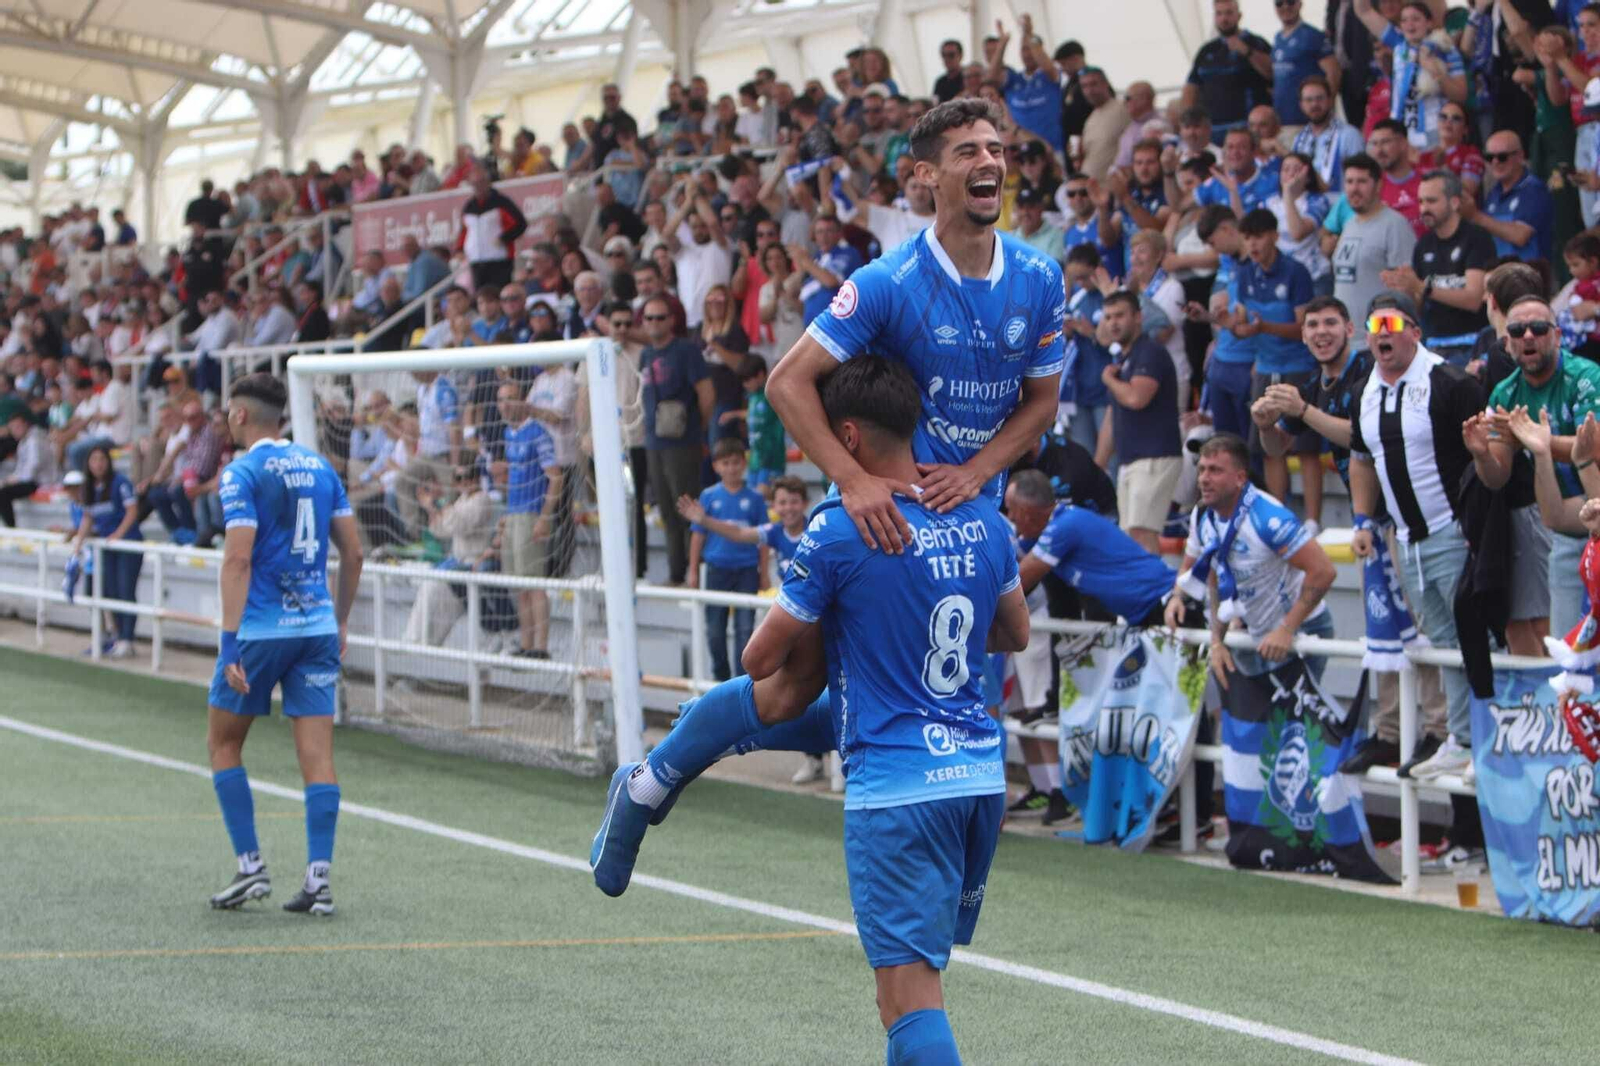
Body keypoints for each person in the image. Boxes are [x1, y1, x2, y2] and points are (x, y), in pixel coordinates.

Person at [593, 356, 1030, 1066]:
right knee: (904, 994)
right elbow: (1014, 634)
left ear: (848, 437)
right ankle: (645, 787)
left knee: (909, 999)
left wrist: (832, 610)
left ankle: (647, 787)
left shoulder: (840, 525)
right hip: (975, 775)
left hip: (897, 783)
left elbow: (759, 662)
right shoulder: (980, 514)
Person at [204, 373, 364, 916]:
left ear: (242, 416)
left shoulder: (241, 472)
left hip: (260, 631)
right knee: (317, 757)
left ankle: (251, 867)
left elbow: (238, 559)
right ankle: (318, 879)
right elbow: (355, 554)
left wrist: (229, 646)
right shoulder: (321, 468)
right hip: (317, 626)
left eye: (229, 411)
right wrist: (339, 621)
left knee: (224, 745)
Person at [1349, 293, 1483, 781]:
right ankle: (1463, 737)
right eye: (1374, 324)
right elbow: (1361, 457)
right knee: (1443, 642)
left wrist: (1477, 531)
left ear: (1415, 332)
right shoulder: (1367, 390)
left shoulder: (1448, 382)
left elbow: (1484, 458)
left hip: (1454, 531)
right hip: (1406, 540)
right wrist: (1364, 519)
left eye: (1391, 323)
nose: (1382, 332)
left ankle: (1488, 737)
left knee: (1477, 637)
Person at [1467, 294, 1600, 643]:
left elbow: (1594, 446)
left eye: (1539, 328)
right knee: (1567, 652)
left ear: (1556, 336)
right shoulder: (1504, 393)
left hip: (1595, 505)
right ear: (1507, 342)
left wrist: (1535, 440)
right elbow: (1497, 477)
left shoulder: (1586, 376)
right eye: (1517, 329)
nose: (1528, 336)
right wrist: (1481, 454)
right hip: (1567, 529)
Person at [1167, 433, 1338, 682]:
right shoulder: (1203, 515)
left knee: (1291, 721)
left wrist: (1286, 629)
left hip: (1300, 630)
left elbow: (1324, 571)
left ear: (1240, 478)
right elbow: (1213, 577)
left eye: (1214, 470)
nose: (1203, 478)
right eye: (1201, 469)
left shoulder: (1269, 518)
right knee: (1255, 720)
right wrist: (1215, 640)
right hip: (1254, 632)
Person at [1379, 169, 1494, 367]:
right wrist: (1406, 290)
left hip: (1472, 344)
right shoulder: (1423, 245)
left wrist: (1423, 288)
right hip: (1432, 346)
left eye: (1432, 201)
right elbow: (1419, 307)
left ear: (1454, 202)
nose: (1423, 209)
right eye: (1421, 202)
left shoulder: (1477, 238)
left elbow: (1474, 298)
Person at [1096, 290, 1181, 553]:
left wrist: (1109, 380)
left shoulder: (1150, 352)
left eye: (1120, 315)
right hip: (1130, 460)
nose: (1113, 323)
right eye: (1108, 317)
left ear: (1138, 317)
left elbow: (1136, 398)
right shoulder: (1123, 359)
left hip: (1154, 456)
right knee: (1131, 536)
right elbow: (1114, 415)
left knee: (1141, 533)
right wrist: (1098, 465)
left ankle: (1156, 594)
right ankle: (1145, 593)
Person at [640, 295, 713, 585]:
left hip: (682, 441)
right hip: (654, 441)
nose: (654, 323)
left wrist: (697, 428)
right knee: (668, 512)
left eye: (660, 317)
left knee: (686, 507)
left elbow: (707, 393)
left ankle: (693, 572)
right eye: (649, 318)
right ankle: (675, 573)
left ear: (671, 320)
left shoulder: (686, 350)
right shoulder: (645, 354)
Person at [687, 438, 766, 680]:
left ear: (744, 464)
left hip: (746, 570)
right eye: (726, 463)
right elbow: (698, 535)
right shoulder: (709, 496)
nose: (731, 468)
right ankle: (721, 682)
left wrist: (764, 572)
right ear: (716, 466)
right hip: (716, 569)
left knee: (744, 631)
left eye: (735, 462)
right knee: (714, 632)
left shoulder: (754, 498)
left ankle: (741, 685)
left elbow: (763, 537)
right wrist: (692, 569)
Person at [494, 383, 562, 659]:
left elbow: (556, 477)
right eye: (501, 400)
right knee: (518, 584)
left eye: (510, 399)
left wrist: (544, 518)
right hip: (513, 514)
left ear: (523, 401)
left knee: (534, 583)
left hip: (531, 513)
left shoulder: (538, 433)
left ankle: (541, 646)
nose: (505, 405)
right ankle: (526, 643)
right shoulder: (509, 434)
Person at [1327, 154, 1418, 352]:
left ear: (1378, 186)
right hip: (1344, 344)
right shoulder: (1349, 224)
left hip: (1378, 343)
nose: (1354, 188)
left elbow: (1406, 292)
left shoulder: (1394, 225)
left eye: (1362, 181)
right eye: (1349, 181)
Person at [1351, 0, 1465, 151]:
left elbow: (1461, 95)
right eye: (1404, 20)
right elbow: (1363, 11)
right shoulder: (1398, 42)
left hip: (1434, 132)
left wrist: (1435, 71)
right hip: (1400, 132)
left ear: (1429, 23)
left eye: (1416, 19)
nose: (1409, 24)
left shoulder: (1446, 50)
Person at [66, 447, 143, 658]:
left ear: (108, 462)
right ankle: (118, 637)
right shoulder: (90, 488)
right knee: (110, 590)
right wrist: (78, 544)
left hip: (127, 544)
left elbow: (132, 511)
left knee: (126, 590)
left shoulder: (120, 483)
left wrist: (117, 535)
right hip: (107, 547)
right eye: (94, 460)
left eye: (102, 459)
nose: (98, 464)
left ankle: (127, 639)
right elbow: (88, 518)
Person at [1181, 0, 1274, 142]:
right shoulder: (1207, 50)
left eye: (1229, 13)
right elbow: (1191, 87)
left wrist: (1247, 51)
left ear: (1239, 15)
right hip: (1213, 131)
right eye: (1219, 14)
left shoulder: (1256, 43)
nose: (1224, 19)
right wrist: (1188, 122)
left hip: (1247, 129)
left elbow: (1271, 72)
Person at [1472, 130, 1553, 262]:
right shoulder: (1493, 193)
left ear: (1520, 156)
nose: (1495, 162)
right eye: (1489, 157)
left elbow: (1520, 236)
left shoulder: (1534, 189)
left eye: (1502, 157)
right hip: (1500, 275)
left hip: (1529, 276)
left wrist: (1475, 216)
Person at [1271, 0, 1341, 130]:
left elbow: (1333, 72)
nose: (1285, 7)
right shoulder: (1277, 38)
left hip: (1308, 121)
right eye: (1279, 3)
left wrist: (1325, 106)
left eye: (1290, 2)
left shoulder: (1313, 35)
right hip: (1283, 121)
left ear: (1299, 4)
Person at [455, 167, 528, 292]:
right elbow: (464, 231)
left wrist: (504, 238)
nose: (478, 186)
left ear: (488, 182)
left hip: (499, 259)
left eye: (481, 182)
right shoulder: (469, 206)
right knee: (481, 294)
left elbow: (521, 224)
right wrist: (459, 249)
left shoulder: (502, 202)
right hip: (476, 260)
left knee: (499, 292)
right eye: (475, 183)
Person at [0, 411, 52, 527]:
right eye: (12, 428)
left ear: (26, 424)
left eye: (18, 426)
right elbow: (20, 469)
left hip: (40, 482)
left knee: (3, 493)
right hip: (29, 480)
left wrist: (13, 480)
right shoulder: (23, 442)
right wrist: (9, 480)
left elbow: (32, 469)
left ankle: (11, 527)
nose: (15, 430)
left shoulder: (35, 439)